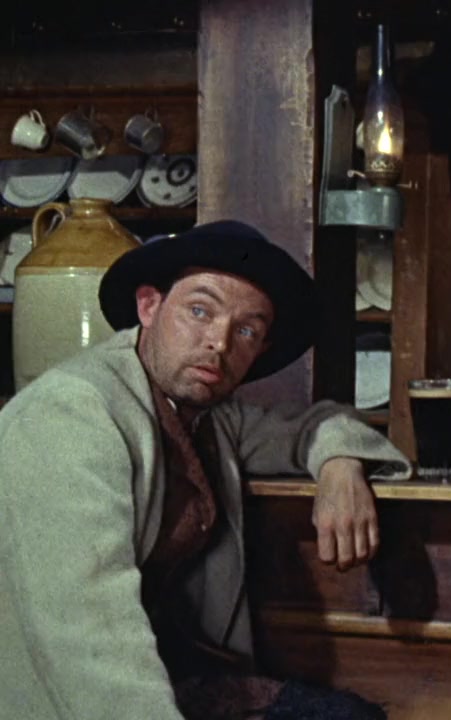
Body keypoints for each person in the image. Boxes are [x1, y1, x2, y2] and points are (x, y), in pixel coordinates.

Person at [0, 221, 411, 719]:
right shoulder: (70, 413)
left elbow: (315, 425)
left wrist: (340, 465)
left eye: (247, 330)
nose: (220, 342)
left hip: (183, 676)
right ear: (149, 306)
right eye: (199, 311)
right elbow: (88, 635)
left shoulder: (209, 416)